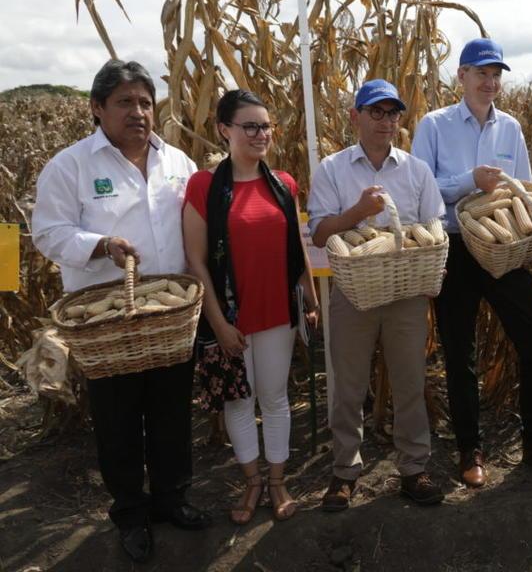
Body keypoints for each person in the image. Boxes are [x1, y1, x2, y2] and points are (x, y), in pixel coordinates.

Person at [31, 60, 210, 563]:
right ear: (97, 108)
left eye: (146, 102)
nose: (138, 112)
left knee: (173, 412)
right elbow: (47, 232)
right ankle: (131, 513)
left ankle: (173, 499)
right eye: (125, 102)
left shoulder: (178, 162)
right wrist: (99, 244)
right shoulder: (71, 166)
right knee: (118, 419)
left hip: (170, 315)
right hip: (108, 321)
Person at [412, 38, 532, 486]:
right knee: (460, 350)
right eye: (481, 73)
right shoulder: (434, 124)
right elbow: (421, 188)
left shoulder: (511, 128)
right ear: (461, 76)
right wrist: (470, 180)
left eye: (495, 75)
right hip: (455, 247)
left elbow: (521, 186)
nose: (489, 82)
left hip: (503, 250)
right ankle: (470, 448)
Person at [308, 79, 446, 510]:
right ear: (356, 117)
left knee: (409, 381)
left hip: (405, 288)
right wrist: (358, 214)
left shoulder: (415, 170)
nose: (386, 121)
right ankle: (345, 470)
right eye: (376, 112)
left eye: (392, 114)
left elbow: (434, 226)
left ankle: (413, 467)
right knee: (348, 385)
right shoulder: (332, 169)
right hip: (352, 290)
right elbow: (318, 233)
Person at [182, 89, 318, 524]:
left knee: (275, 398)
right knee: (240, 403)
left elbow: (296, 247)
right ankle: (252, 482)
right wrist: (218, 323)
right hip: (232, 317)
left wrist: (311, 301)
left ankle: (277, 481)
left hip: (277, 310)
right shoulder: (204, 186)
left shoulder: (283, 183)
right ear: (224, 130)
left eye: (266, 126)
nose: (261, 135)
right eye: (250, 126)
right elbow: (196, 261)